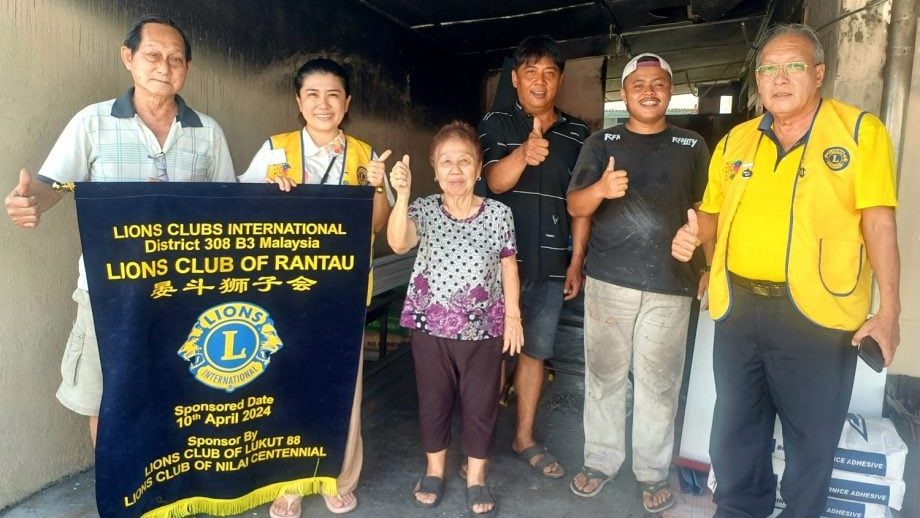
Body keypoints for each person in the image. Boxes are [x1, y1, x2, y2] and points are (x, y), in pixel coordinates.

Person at [671, 23, 900, 517]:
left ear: (819, 73)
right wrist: (697, 237)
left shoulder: (860, 133)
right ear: (757, 80)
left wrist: (890, 312)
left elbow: (879, 222)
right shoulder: (735, 142)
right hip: (741, 313)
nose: (779, 78)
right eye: (768, 69)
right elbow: (713, 213)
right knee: (735, 434)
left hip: (819, 315)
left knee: (811, 443)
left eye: (793, 66)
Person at [4, 14, 235, 447]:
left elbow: (227, 207)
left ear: (187, 68)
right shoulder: (92, 122)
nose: (164, 67)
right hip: (107, 291)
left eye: (176, 59)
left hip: (184, 292)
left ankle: (169, 482)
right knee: (107, 401)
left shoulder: (208, 133)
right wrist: (30, 199)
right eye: (153, 55)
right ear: (128, 57)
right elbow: (53, 185)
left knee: (180, 395)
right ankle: (117, 486)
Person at [238, 57, 393, 518]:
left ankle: (339, 478)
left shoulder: (365, 155)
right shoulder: (275, 149)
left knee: (344, 391)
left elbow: (377, 226)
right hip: (283, 292)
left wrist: (378, 189)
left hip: (343, 293)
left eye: (333, 95)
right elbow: (241, 214)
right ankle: (288, 484)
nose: (323, 104)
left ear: (347, 102)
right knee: (286, 387)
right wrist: (267, 191)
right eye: (312, 95)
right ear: (298, 101)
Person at [565, 53, 710, 512]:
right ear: (624, 94)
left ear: (670, 91)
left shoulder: (692, 145)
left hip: (672, 284)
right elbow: (575, 206)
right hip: (609, 281)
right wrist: (601, 190)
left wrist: (708, 267)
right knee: (604, 377)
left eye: (658, 84)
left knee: (659, 384)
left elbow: (709, 211)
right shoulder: (600, 142)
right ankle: (600, 461)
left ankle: (651, 471)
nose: (649, 91)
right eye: (639, 85)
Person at [387, 121, 523, 517]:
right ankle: (435, 471)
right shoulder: (424, 208)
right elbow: (398, 242)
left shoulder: (499, 214)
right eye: (446, 162)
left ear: (479, 168)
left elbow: (509, 266)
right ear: (434, 170)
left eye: (465, 161)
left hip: (484, 328)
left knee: (481, 404)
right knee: (434, 401)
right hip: (431, 326)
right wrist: (403, 196)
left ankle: (477, 477)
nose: (455, 170)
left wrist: (513, 316)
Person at [477, 34, 590, 480]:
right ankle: (480, 444)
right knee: (489, 353)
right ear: (515, 79)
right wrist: (524, 152)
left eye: (549, 73)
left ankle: (523, 438)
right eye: (530, 72)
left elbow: (580, 204)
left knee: (535, 352)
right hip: (496, 265)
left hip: (550, 265)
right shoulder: (496, 123)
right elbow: (494, 181)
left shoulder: (578, 133)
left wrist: (576, 261)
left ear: (559, 79)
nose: (540, 81)